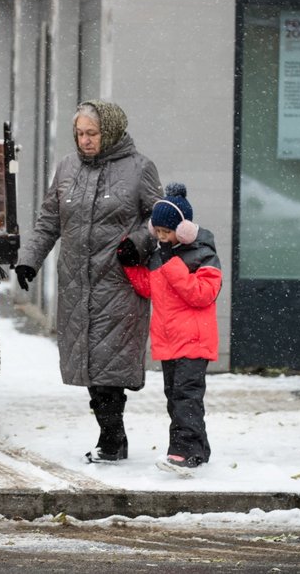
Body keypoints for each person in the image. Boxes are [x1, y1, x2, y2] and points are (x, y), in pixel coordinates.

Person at [14, 100, 162, 464]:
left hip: (118, 283)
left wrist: (138, 244)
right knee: (89, 362)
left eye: (91, 133)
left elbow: (160, 217)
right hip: (77, 283)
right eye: (80, 134)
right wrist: (28, 260)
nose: (85, 140)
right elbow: (50, 219)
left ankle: (112, 438)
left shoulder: (139, 168)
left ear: (108, 131)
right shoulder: (67, 168)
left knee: (108, 363)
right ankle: (112, 435)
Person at [118, 182, 222, 475]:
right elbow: (150, 289)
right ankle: (198, 448)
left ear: (184, 230)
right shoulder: (160, 254)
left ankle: (183, 452)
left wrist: (171, 263)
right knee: (175, 397)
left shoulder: (203, 254)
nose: (161, 237)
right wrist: (130, 266)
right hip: (168, 342)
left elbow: (202, 294)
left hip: (193, 341)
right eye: (158, 232)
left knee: (185, 397)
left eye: (167, 232)